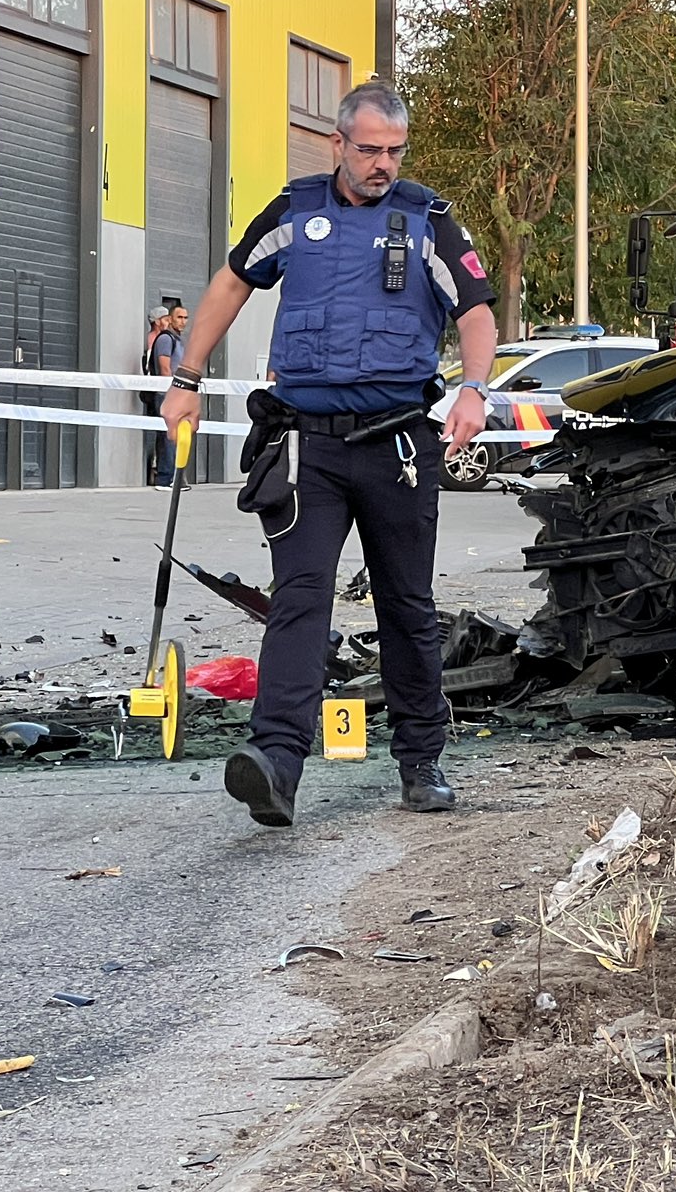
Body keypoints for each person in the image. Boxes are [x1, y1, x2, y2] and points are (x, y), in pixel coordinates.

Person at [160, 81, 498, 829]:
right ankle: (275, 764)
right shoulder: (294, 211)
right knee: (299, 600)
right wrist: (186, 378)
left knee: (405, 604)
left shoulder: (428, 222)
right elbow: (230, 282)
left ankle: (421, 761)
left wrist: (475, 390)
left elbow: (477, 314)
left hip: (399, 444)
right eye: (370, 149)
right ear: (337, 144)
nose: (383, 163)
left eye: (395, 151)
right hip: (306, 446)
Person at [143, 304, 188, 488]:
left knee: (176, 436)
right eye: (179, 317)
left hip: (178, 394)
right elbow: (165, 369)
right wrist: (172, 394)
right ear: (170, 319)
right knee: (168, 436)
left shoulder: (177, 340)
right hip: (166, 395)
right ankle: (164, 478)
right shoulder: (165, 340)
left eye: (186, 318)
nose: (183, 321)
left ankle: (174, 478)